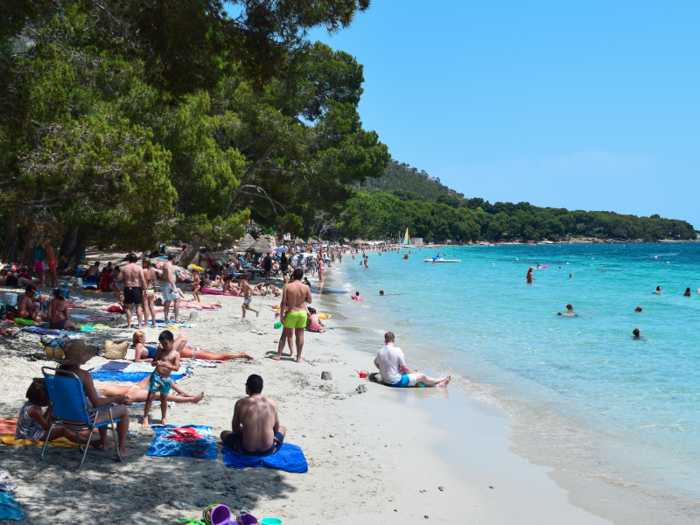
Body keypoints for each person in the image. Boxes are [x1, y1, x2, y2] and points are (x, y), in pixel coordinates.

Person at [55, 340, 135, 457]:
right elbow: (96, 403)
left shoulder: (59, 372)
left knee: (102, 403)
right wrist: (116, 399)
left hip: (65, 418)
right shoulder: (83, 375)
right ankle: (122, 450)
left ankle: (105, 443)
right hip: (83, 420)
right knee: (122, 410)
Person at [16, 379, 102, 447]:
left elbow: (42, 419)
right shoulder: (33, 410)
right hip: (30, 435)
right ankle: (91, 442)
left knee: (64, 426)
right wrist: (51, 410)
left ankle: (88, 438)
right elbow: (47, 427)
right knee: (63, 430)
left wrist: (49, 410)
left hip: (35, 429)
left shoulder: (31, 405)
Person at [220, 374, 286, 457]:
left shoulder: (240, 403)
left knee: (224, 434)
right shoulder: (272, 403)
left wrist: (247, 430)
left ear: (247, 388)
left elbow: (235, 430)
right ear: (262, 387)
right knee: (282, 429)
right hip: (268, 450)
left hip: (245, 450)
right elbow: (276, 430)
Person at [373, 332, 450, 388]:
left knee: (417, 380)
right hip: (395, 382)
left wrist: (383, 369)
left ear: (385, 340)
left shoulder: (381, 351)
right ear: (394, 340)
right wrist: (412, 373)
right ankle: (440, 380)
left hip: (385, 380)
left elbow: (375, 362)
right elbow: (404, 368)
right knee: (422, 376)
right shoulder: (397, 350)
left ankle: (439, 385)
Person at [142, 330, 181, 427]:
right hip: (156, 376)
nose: (164, 346)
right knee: (150, 397)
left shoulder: (175, 354)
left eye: (165, 343)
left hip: (166, 378)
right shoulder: (160, 352)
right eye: (161, 344)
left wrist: (167, 365)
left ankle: (163, 418)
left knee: (164, 398)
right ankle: (145, 417)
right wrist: (157, 363)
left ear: (172, 341)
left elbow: (176, 368)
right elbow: (153, 363)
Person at [273, 268, 312, 362]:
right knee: (300, 335)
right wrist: (302, 299)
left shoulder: (287, 286)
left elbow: (283, 302)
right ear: (302, 276)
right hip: (302, 313)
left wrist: (281, 314)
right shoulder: (306, 287)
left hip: (292, 312)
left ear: (293, 276)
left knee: (284, 334)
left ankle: (278, 355)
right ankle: (298, 358)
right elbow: (310, 301)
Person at [135, 331, 253, 362]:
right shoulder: (140, 346)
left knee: (219, 356)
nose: (145, 338)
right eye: (143, 337)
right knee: (219, 356)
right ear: (139, 339)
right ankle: (240, 355)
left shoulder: (146, 345)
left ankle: (240, 355)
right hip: (193, 352)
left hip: (194, 353)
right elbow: (138, 360)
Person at [97, 375, 203, 404]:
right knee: (157, 395)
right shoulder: (95, 394)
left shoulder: (93, 389)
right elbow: (105, 401)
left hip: (134, 387)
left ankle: (182, 393)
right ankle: (191, 399)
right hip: (131, 393)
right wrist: (123, 401)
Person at [121, 253, 147, 329]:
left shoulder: (124, 268)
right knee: (138, 307)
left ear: (128, 259)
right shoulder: (139, 268)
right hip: (136, 288)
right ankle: (139, 325)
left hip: (127, 288)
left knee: (129, 308)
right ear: (136, 260)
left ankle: (129, 325)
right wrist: (145, 290)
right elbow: (143, 280)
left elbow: (119, 278)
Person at [161, 254, 180, 323]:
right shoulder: (168, 265)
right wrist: (173, 286)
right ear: (174, 258)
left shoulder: (167, 264)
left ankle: (166, 319)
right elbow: (169, 276)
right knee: (176, 300)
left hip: (168, 284)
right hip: (169, 285)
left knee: (167, 301)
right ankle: (176, 318)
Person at [142, 259, 157, 328]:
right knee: (152, 307)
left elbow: (142, 281)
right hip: (151, 289)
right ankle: (153, 322)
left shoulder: (143, 271)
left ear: (145, 263)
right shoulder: (153, 270)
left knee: (146, 308)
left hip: (145, 289)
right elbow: (155, 279)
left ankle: (146, 324)